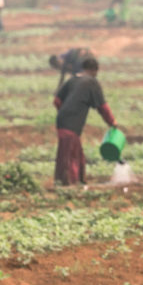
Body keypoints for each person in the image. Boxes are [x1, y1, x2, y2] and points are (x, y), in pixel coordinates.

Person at [53, 55, 117, 187]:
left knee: (75, 153)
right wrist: (112, 123)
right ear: (95, 71)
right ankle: (68, 184)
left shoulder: (72, 80)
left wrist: (66, 111)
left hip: (64, 121)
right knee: (69, 156)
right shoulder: (92, 82)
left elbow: (57, 101)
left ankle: (78, 181)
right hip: (70, 124)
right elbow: (102, 107)